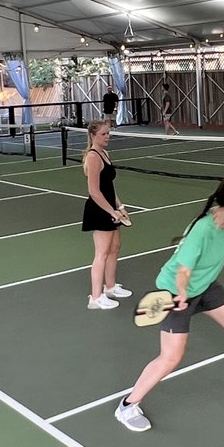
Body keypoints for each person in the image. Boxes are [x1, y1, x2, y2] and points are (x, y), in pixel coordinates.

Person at [114, 177, 224, 433]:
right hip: (176, 291)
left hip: (205, 286)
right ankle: (127, 406)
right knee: (171, 357)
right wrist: (181, 295)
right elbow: (183, 270)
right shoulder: (202, 228)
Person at [80, 121, 132, 310]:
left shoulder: (105, 154)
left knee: (114, 248)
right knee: (101, 254)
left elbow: (109, 187)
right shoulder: (93, 157)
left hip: (110, 208)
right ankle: (95, 297)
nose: (107, 136)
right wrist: (112, 212)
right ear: (93, 135)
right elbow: (94, 191)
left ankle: (110, 287)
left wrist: (120, 206)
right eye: (103, 134)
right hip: (99, 210)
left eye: (108, 133)